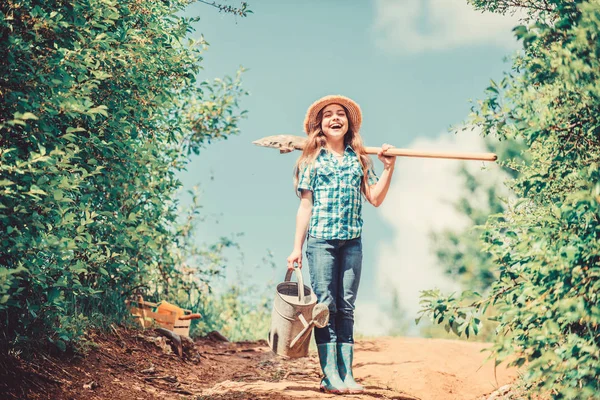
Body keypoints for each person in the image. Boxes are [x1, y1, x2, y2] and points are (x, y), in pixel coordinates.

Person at [286, 95, 396, 394]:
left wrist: (389, 167)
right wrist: (296, 247)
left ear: (349, 123)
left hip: (352, 242)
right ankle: (329, 374)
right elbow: (305, 206)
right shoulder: (311, 159)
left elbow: (374, 198)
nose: (335, 118)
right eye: (328, 115)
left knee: (346, 307)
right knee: (325, 306)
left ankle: (347, 375)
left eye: (340, 115)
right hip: (321, 242)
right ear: (319, 125)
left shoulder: (359, 159)